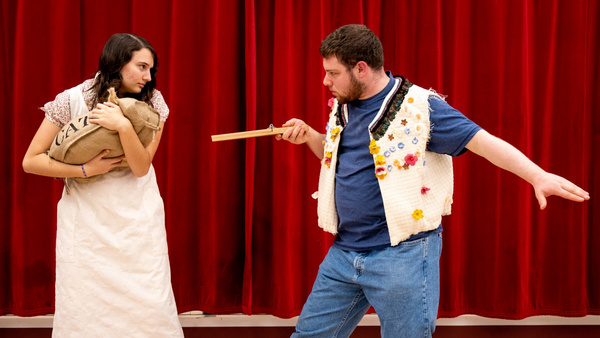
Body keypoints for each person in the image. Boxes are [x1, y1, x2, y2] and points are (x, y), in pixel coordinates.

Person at [277, 24, 590, 338]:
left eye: (332, 73)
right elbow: (338, 159)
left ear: (361, 68)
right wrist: (310, 137)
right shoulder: (345, 104)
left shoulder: (421, 108)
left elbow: (483, 142)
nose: (325, 81)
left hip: (402, 256)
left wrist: (536, 175)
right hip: (344, 253)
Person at [22, 33, 183, 337]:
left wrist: (123, 125)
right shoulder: (71, 100)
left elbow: (140, 167)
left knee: (146, 303)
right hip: (86, 221)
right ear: (119, 63)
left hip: (138, 218)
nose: (148, 78)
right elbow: (31, 160)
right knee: (86, 305)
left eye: (152, 70)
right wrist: (84, 169)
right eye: (142, 67)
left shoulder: (153, 102)